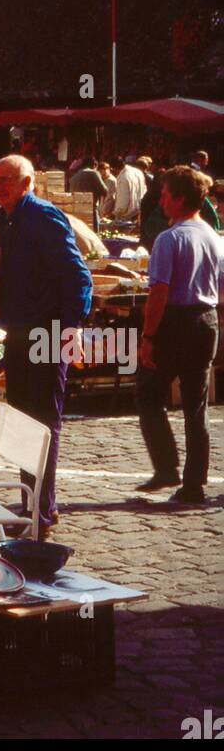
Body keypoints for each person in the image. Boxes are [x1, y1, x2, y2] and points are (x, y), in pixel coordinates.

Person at [0, 155, 93, 536]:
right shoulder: (8, 219)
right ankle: (30, 504)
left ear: (28, 181)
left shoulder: (43, 216)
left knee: (43, 423)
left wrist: (74, 327)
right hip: (19, 331)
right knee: (21, 422)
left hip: (48, 331)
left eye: (8, 179)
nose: (0, 186)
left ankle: (42, 513)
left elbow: (78, 275)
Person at [136, 166, 223, 505]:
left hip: (176, 322)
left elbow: (159, 292)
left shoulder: (169, 239)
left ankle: (167, 466)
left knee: (147, 393)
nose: (161, 199)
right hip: (207, 320)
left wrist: (148, 337)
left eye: (165, 193)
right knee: (195, 406)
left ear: (180, 198)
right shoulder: (212, 235)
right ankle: (193, 483)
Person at [69, 156, 109, 232]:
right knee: (94, 236)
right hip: (91, 211)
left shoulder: (74, 177)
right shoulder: (93, 173)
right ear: (94, 165)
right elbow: (105, 191)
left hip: (76, 211)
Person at [112, 155, 146, 222]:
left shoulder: (123, 178)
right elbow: (144, 190)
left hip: (127, 217)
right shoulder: (138, 172)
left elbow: (122, 205)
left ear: (114, 168)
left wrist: (114, 214)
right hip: (139, 213)